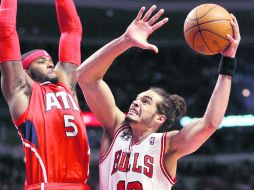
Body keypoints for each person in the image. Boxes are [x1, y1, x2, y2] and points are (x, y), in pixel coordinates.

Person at [76, 5, 241, 190]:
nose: (136, 102)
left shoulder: (167, 145)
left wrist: (228, 62)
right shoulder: (116, 128)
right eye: (137, 98)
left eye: (145, 101)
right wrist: (124, 41)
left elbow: (210, 123)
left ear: (159, 118)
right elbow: (84, 77)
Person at [0, 0, 90, 189]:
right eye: (41, 61)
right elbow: (6, 30)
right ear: (25, 72)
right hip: (45, 185)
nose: (50, 63)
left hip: (81, 185)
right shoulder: (22, 91)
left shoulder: (66, 86)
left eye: (50, 60)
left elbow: (72, 31)